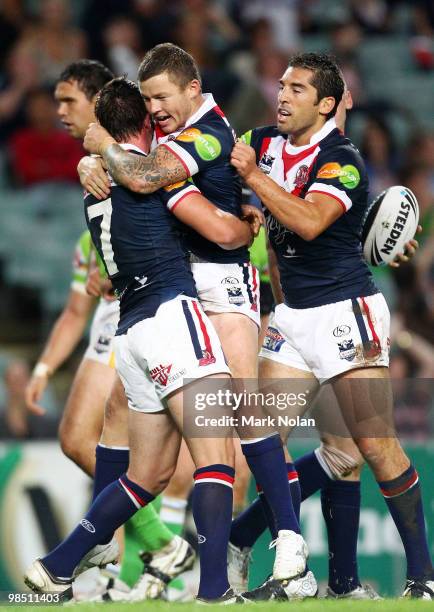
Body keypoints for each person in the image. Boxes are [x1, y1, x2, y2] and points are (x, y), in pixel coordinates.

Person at [79, 43, 309, 594]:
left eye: (163, 97)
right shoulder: (171, 130)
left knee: (244, 415)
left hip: (224, 286)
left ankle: (291, 546)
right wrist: (92, 159)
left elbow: (144, 175)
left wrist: (101, 148)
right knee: (120, 406)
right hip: (178, 286)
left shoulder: (207, 132)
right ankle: (106, 543)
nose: (155, 108)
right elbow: (135, 165)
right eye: (149, 99)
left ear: (191, 89)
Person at [24, 76, 254, 604]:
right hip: (172, 317)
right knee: (215, 457)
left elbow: (101, 275)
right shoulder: (146, 175)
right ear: (148, 123)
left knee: (145, 474)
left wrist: (94, 154)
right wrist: (246, 224)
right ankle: (215, 590)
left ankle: (55, 567)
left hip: (130, 335)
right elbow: (220, 232)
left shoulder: (95, 186)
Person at [230, 52, 434, 600]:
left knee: (373, 446)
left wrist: (251, 179)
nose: (283, 94)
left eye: (298, 89)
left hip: (347, 314)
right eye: (281, 84)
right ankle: (267, 556)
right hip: (292, 317)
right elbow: (204, 158)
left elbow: (312, 221)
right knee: (259, 434)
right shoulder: (262, 141)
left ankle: (423, 578)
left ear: (325, 105)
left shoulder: (343, 159)